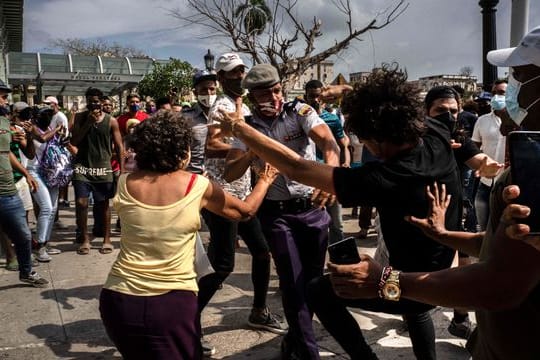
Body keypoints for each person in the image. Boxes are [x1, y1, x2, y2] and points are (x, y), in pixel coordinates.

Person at [288, 27, 540, 360]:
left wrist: (386, 280)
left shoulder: (531, 170)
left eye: (519, 76)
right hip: (494, 342)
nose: (510, 90)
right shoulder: (519, 159)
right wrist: (446, 234)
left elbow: (499, 286)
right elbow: (497, 247)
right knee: (415, 311)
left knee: (335, 293)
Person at [217, 63, 462, 359]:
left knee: (320, 291)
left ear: (380, 138)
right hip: (440, 263)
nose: (367, 148)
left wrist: (240, 129)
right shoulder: (434, 131)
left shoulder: (384, 179)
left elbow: (297, 167)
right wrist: (347, 90)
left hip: (411, 282)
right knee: (414, 312)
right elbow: (386, 102)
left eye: (368, 141)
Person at [99, 110, 278, 360]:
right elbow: (245, 211)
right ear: (183, 151)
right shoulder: (197, 185)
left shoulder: (124, 182)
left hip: (117, 299)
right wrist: (265, 180)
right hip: (171, 303)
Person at [224, 63, 340, 359]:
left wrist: (331, 174)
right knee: (291, 281)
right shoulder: (246, 126)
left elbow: (327, 141)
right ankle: (308, 352)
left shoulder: (299, 112)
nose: (274, 97)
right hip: (276, 215)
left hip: (312, 210)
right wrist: (254, 146)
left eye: (277, 90)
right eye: (265, 94)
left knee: (313, 284)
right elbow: (230, 173)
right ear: (252, 98)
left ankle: (294, 338)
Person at [196, 54, 286, 356]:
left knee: (261, 252)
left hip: (244, 193)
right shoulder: (222, 105)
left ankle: (258, 311)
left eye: (241, 71)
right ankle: (187, 322)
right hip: (222, 193)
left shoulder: (243, 106)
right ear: (220, 78)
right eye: (231, 73)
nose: (238, 76)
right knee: (223, 264)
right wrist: (250, 145)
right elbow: (212, 145)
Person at [0, 79, 48, 287]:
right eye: (2, 95)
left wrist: (25, 173)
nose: (5, 100)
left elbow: (6, 152)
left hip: (7, 190)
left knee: (23, 234)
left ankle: (26, 271)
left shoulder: (3, 122)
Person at [70, 87, 124, 255]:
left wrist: (121, 172)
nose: (93, 104)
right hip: (82, 167)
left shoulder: (111, 121)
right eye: (90, 100)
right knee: (81, 203)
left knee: (103, 205)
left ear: (101, 102)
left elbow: (119, 146)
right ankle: (85, 239)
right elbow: (74, 141)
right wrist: (88, 123)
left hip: (103, 167)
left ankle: (106, 239)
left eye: (96, 101)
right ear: (86, 101)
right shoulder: (79, 117)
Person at [304, 79, 350, 245]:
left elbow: (343, 143)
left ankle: (339, 261)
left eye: (318, 96)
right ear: (306, 96)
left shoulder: (332, 119)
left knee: (337, 224)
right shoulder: (299, 119)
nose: (315, 100)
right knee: (314, 224)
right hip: (309, 179)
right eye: (312, 96)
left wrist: (345, 163)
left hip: (331, 177)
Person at [472, 79, 507, 231]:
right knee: (484, 231)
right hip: (486, 183)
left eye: (501, 93)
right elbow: (474, 147)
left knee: (504, 232)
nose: (496, 97)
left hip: (508, 183)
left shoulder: (521, 121)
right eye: (494, 93)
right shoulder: (482, 120)